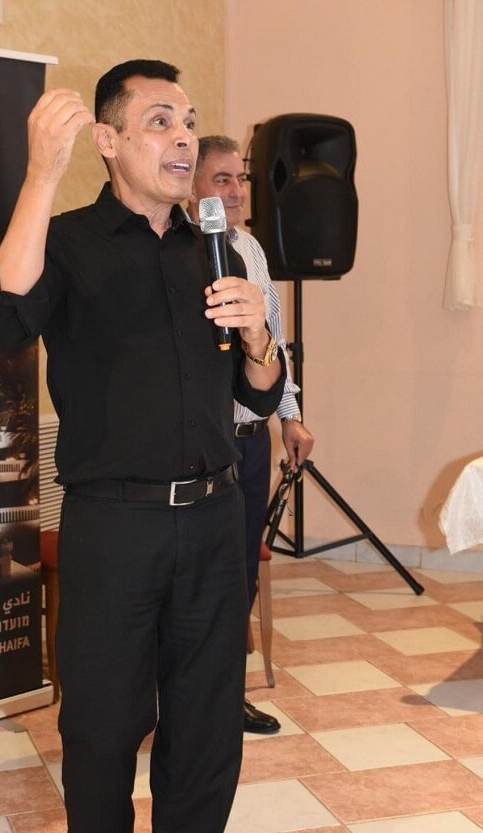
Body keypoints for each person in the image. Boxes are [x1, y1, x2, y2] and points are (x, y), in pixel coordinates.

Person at [0, 61, 285, 833]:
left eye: (188, 120)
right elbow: (7, 321)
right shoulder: (68, 241)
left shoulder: (217, 249)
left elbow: (258, 391)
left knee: (207, 734)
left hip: (214, 522)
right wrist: (41, 173)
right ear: (107, 141)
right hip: (114, 530)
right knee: (101, 731)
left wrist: (260, 339)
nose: (183, 137)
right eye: (159, 121)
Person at [188, 136, 314, 734]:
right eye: (222, 180)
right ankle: (176, 698)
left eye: (240, 178)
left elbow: (273, 340)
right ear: (190, 188)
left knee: (238, 574)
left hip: (250, 438)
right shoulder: (182, 253)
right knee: (193, 580)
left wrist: (290, 414)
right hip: (200, 446)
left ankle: (224, 698)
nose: (237, 191)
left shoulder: (253, 250)